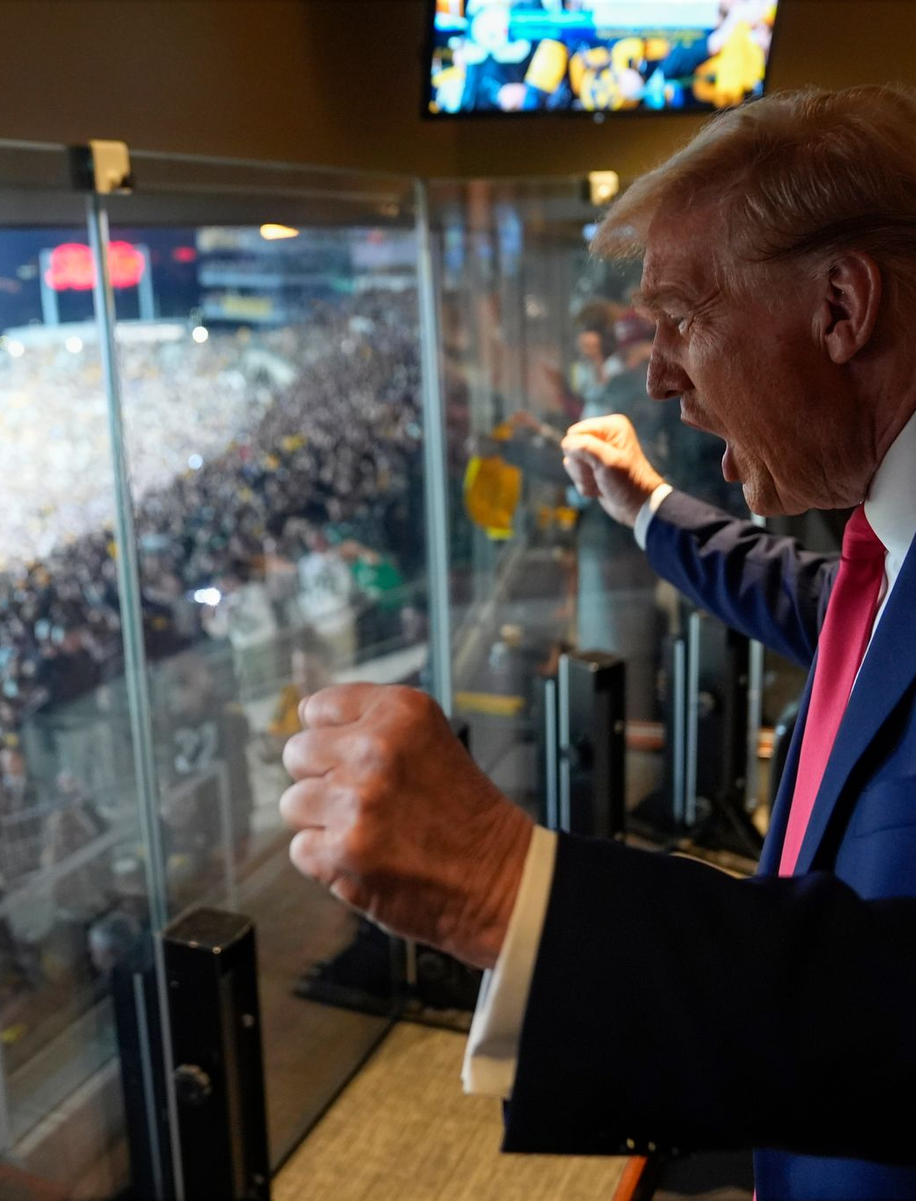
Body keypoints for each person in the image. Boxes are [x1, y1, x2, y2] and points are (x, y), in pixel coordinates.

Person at [280, 83, 916, 1201]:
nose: (660, 372)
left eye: (681, 320)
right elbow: (838, 609)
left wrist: (500, 884)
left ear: (841, 307)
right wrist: (648, 506)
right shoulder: (888, 543)